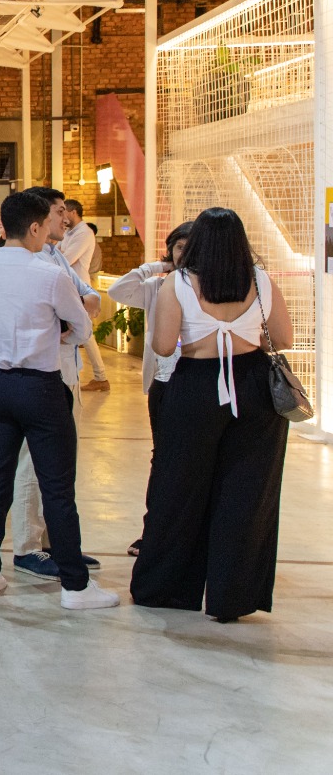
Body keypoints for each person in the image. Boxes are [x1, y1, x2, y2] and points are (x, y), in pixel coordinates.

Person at [133, 208, 292, 622]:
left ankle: (166, 589)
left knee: (179, 487)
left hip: (196, 388)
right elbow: (285, 338)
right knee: (247, 492)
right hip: (255, 388)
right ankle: (232, 597)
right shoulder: (260, 279)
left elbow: (165, 346)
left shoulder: (179, 283)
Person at [0, 191, 118, 610]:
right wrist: (61, 332)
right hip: (42, 386)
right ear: (35, 228)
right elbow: (83, 327)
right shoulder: (50, 275)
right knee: (57, 488)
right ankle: (75, 586)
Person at [9, 186, 103, 579]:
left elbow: (89, 298)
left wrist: (77, 312)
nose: (66, 219)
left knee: (60, 459)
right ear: (39, 219)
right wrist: (72, 316)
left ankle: (56, 542)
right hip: (44, 365)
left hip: (67, 361)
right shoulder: (27, 262)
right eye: (59, 211)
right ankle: (28, 547)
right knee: (34, 458)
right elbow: (53, 315)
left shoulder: (54, 256)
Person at [109, 221, 192, 556]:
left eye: (190, 247)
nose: (184, 254)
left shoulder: (212, 288)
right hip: (165, 380)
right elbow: (118, 291)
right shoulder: (159, 286)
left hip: (199, 379)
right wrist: (158, 266)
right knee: (162, 458)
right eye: (179, 247)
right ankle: (153, 533)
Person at [60, 199, 110, 392]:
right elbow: (58, 254)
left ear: (72, 212)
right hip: (70, 286)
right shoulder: (69, 233)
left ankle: (101, 377)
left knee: (85, 333)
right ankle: (100, 376)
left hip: (80, 288)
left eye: (64, 212)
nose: (62, 217)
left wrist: (61, 252)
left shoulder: (84, 233)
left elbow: (65, 259)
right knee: (82, 334)